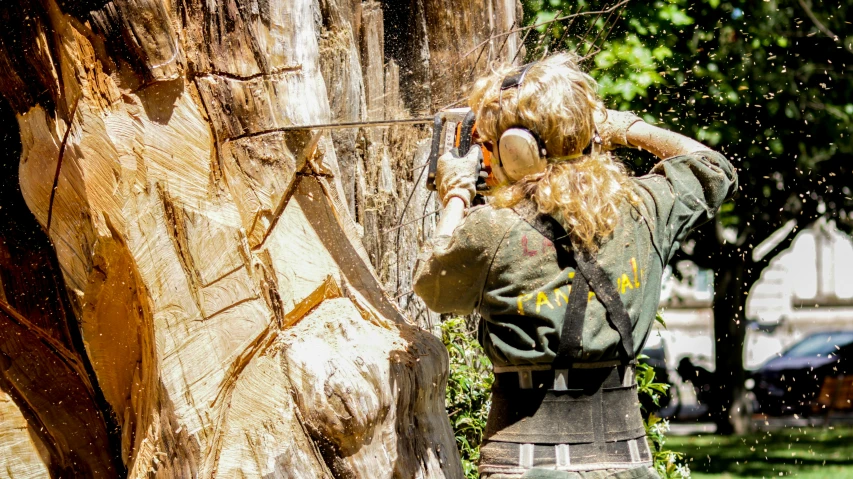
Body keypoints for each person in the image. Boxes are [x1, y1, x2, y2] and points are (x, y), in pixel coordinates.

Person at [413, 53, 737, 479]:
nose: (485, 158)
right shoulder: (645, 208)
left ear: (518, 151)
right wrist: (628, 129)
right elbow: (714, 167)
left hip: (526, 462)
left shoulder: (492, 229)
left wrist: (456, 196)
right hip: (628, 461)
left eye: (490, 145)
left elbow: (431, 286)